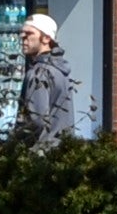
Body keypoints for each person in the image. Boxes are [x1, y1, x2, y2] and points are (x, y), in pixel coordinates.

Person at [16, 12, 79, 144]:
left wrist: (15, 144)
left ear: (46, 38)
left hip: (41, 152)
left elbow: (37, 120)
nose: (22, 37)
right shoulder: (61, 69)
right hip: (61, 149)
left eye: (29, 33)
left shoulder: (39, 73)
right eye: (22, 33)